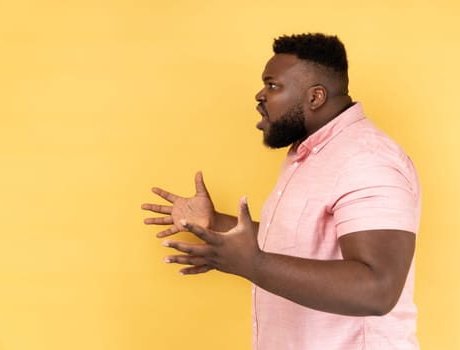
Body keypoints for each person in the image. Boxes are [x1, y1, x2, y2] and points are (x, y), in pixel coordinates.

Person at [142, 33, 421, 350]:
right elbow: (304, 246)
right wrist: (217, 224)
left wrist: (253, 265)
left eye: (272, 85)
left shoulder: (367, 159)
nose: (260, 95)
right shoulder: (310, 155)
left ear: (315, 97)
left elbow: (377, 288)